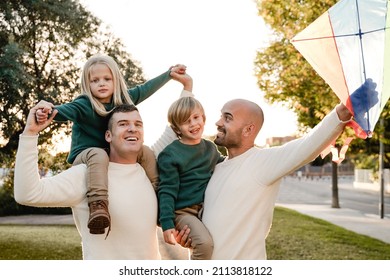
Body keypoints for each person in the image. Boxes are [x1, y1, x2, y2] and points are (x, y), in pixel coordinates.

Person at [176, 79, 378, 259]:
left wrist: (343, 111)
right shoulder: (215, 167)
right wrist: (190, 235)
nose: (218, 123)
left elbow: (308, 144)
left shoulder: (263, 162)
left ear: (249, 129)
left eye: (227, 118)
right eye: (221, 116)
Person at [14, 76, 193, 260]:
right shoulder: (87, 175)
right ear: (108, 135)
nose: (132, 128)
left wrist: (187, 87)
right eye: (123, 124)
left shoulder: (148, 166)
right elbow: (27, 193)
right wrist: (30, 133)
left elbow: (176, 126)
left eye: (138, 124)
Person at [35, 53, 186, 236]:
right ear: (87, 85)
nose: (101, 83)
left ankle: (160, 200)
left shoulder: (124, 99)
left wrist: (169, 74)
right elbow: (63, 111)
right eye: (95, 80)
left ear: (115, 80)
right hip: (86, 155)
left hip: (110, 151)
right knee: (99, 155)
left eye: (107, 79)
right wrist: (47, 111)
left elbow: (147, 88)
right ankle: (98, 206)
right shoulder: (84, 104)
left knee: (144, 151)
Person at [157, 96, 225, 260]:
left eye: (196, 117)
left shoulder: (210, 148)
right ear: (177, 129)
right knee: (204, 244)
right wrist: (167, 223)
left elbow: (226, 165)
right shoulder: (170, 154)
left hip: (205, 209)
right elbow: (166, 190)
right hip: (183, 211)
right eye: (186, 121)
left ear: (203, 118)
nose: (193, 124)